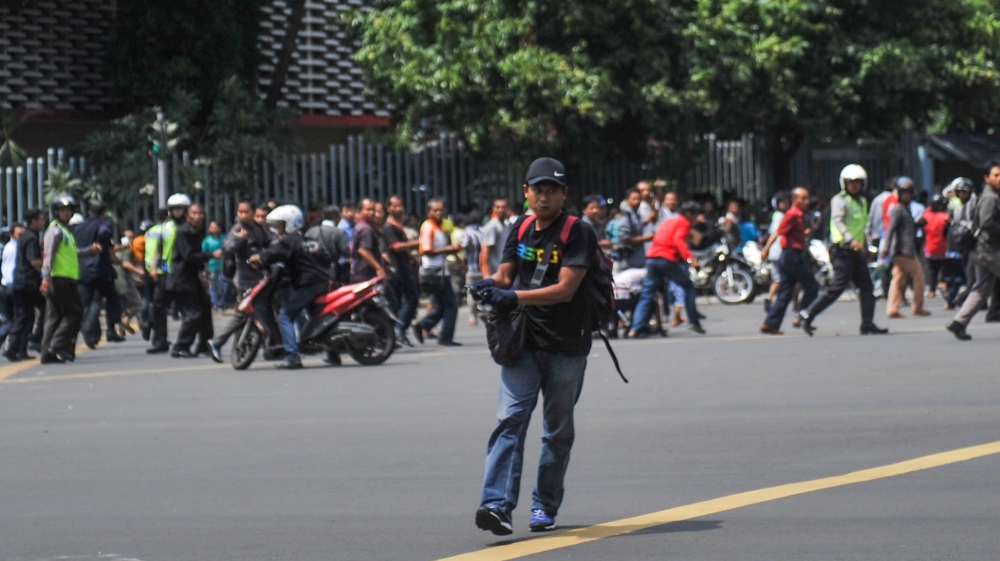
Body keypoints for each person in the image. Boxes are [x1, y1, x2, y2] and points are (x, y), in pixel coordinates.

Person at [471, 156, 598, 536]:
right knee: (509, 421)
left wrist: (514, 297)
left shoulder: (578, 232)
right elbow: (506, 273)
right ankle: (496, 505)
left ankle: (544, 504)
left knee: (557, 431)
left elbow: (565, 289)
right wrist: (489, 284)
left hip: (566, 345)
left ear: (563, 194)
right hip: (523, 342)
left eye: (551, 190)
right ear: (525, 192)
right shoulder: (521, 226)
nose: (543, 197)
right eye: (537, 190)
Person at [798, 165, 887, 336]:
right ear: (844, 184)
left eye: (857, 183)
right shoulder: (839, 200)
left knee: (867, 287)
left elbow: (862, 227)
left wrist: (866, 247)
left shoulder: (861, 201)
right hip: (842, 251)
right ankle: (807, 314)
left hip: (856, 251)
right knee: (836, 288)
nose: (854, 186)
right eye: (851, 182)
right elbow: (839, 222)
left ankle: (867, 323)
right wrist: (851, 240)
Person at [252, 205, 331, 368]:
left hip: (308, 284)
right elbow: (326, 257)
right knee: (318, 318)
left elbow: (273, 253)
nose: (277, 228)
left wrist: (259, 257)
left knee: (285, 316)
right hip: (322, 281)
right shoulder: (307, 240)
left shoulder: (289, 240)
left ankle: (293, 356)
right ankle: (332, 353)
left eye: (280, 224)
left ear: (289, 224)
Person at [627, 201, 706, 338]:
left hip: (652, 258)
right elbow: (678, 241)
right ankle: (694, 321)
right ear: (689, 214)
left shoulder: (669, 221)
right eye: (695, 215)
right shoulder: (684, 222)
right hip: (666, 258)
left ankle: (635, 328)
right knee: (689, 287)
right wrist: (690, 259)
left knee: (647, 294)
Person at [210, 199, 275, 362]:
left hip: (261, 278)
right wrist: (240, 239)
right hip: (245, 280)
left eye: (246, 212)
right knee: (244, 313)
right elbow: (227, 249)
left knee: (261, 312)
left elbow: (271, 244)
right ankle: (218, 342)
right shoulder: (238, 229)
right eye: (240, 212)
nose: (243, 215)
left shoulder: (259, 228)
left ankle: (265, 346)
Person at [40, 195, 100, 364]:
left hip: (64, 277)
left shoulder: (66, 232)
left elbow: (73, 254)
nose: (66, 213)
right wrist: (46, 277)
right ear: (56, 212)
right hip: (59, 278)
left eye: (69, 210)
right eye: (63, 210)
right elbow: (48, 255)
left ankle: (47, 354)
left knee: (54, 317)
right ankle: (57, 345)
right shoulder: (56, 231)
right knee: (75, 312)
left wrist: (89, 250)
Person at [947, 161, 1000, 340]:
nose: (999, 179)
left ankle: (959, 322)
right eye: (996, 175)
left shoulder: (991, 195)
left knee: (981, 289)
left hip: (981, 251)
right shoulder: (990, 198)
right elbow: (986, 223)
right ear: (987, 178)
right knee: (981, 288)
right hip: (988, 250)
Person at [760, 188, 820, 335]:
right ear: (795, 200)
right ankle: (801, 316)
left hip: (792, 255)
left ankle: (770, 323)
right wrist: (766, 249)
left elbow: (796, 236)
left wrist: (811, 230)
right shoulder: (792, 215)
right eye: (803, 198)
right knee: (812, 286)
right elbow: (778, 232)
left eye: (807, 198)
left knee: (785, 292)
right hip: (791, 256)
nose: (807, 202)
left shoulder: (799, 216)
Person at [147, 194, 192, 354]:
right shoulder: (165, 227)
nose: (178, 212)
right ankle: (160, 340)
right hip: (166, 273)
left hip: (184, 273)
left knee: (189, 309)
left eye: (181, 209)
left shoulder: (189, 227)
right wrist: (154, 267)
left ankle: (187, 343)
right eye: (175, 209)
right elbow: (159, 249)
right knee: (158, 307)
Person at [75, 200, 124, 347]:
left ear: (90, 212)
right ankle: (108, 329)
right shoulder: (104, 223)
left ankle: (92, 334)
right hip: (100, 268)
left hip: (83, 269)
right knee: (112, 298)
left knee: (88, 302)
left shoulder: (79, 227)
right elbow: (104, 234)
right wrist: (107, 248)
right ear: (104, 213)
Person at [415, 198, 461, 346]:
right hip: (434, 272)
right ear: (429, 212)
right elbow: (426, 250)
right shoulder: (429, 227)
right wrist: (450, 249)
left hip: (440, 271)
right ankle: (444, 337)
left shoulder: (440, 227)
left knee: (442, 304)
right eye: (435, 210)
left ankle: (423, 325)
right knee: (451, 305)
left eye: (441, 210)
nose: (439, 213)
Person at [882, 182, 930, 318]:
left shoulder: (905, 209)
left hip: (904, 249)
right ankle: (918, 306)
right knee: (919, 276)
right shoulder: (898, 209)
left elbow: (907, 229)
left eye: (908, 193)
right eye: (903, 193)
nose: (906, 195)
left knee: (898, 279)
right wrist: (886, 247)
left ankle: (892, 308)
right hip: (903, 250)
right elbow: (891, 230)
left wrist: (918, 225)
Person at [7, 210, 45, 361]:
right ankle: (32, 340)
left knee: (26, 316)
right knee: (44, 308)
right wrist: (48, 268)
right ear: (33, 221)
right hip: (28, 283)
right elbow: (34, 261)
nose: (43, 222)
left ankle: (19, 349)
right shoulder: (30, 238)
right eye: (41, 220)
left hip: (21, 282)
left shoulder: (25, 236)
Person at [384, 196, 421, 345]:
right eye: (395, 206)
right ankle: (399, 329)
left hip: (403, 267)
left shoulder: (397, 226)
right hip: (398, 269)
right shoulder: (389, 227)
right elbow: (395, 246)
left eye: (401, 206)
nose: (399, 209)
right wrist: (417, 243)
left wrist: (412, 258)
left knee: (399, 302)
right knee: (411, 297)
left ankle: (396, 332)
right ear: (389, 208)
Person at [761, 191, 791, 312]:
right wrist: (766, 249)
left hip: (778, 251)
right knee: (780, 279)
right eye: (782, 202)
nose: (785, 204)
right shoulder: (779, 216)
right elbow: (776, 233)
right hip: (779, 252)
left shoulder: (780, 215)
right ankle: (771, 299)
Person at [615, 188, 653, 271]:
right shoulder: (626, 215)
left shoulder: (635, 214)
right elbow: (624, 238)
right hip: (629, 261)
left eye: (639, 199)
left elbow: (636, 228)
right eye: (634, 199)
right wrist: (646, 238)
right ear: (627, 200)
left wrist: (646, 221)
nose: (636, 201)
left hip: (638, 259)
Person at [0, 223, 24, 350]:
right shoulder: (16, 249)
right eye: (19, 235)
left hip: (5, 286)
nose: (21, 237)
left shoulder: (8, 247)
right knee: (16, 319)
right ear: (12, 235)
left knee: (10, 320)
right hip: (12, 287)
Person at [350, 198, 386, 283]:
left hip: (358, 272)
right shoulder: (366, 229)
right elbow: (363, 250)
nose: (371, 213)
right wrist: (379, 268)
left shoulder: (360, 226)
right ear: (360, 211)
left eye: (373, 210)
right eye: (368, 210)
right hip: (365, 275)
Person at [923, 195, 951, 300]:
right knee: (943, 270)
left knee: (931, 270)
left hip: (930, 248)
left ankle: (931, 290)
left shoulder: (927, 216)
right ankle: (943, 284)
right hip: (943, 248)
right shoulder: (944, 217)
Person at [480, 198, 512, 278]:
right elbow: (485, 251)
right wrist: (486, 275)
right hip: (496, 272)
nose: (501, 210)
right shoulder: (492, 226)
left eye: (503, 207)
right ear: (493, 209)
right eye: (498, 207)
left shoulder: (507, 225)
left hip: (506, 271)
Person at [461, 213, 484, 326]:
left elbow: (462, 246)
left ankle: (473, 317)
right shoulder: (483, 231)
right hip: (484, 267)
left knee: (471, 293)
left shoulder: (466, 232)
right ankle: (485, 310)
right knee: (485, 290)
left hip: (471, 267)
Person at [203, 220, 226, 310]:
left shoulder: (224, 238)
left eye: (215, 227)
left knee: (223, 286)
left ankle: (221, 303)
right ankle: (215, 303)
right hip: (211, 266)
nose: (213, 229)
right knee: (213, 286)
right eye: (211, 227)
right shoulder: (207, 240)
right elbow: (203, 253)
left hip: (223, 266)